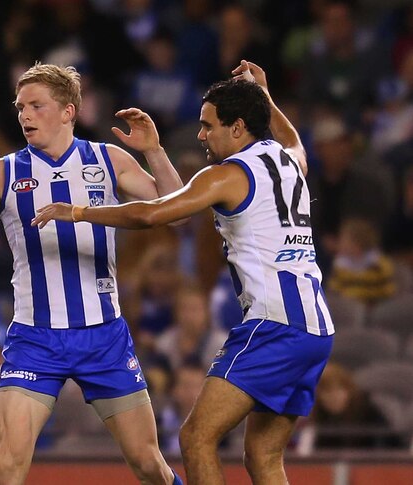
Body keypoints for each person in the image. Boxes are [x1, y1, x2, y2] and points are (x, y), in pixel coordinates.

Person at [32, 60, 336, 485]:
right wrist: (265, 93)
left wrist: (79, 210)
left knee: (195, 438)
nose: (201, 135)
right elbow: (295, 141)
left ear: (238, 127)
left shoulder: (228, 174)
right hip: (316, 329)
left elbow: (154, 214)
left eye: (208, 125)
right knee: (263, 457)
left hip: (274, 325)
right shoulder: (289, 162)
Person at [0, 62, 184, 485]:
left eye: (36, 106)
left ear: (68, 111)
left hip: (103, 335)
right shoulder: (4, 172)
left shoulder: (108, 159)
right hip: (35, 338)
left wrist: (155, 152)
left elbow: (174, 214)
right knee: (8, 465)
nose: (25, 116)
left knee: (148, 464)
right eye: (20, 107)